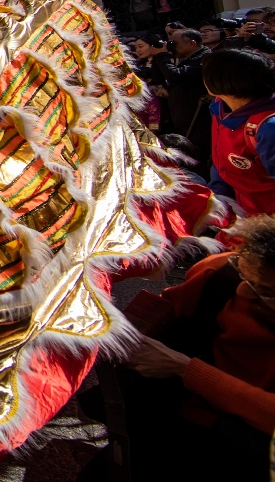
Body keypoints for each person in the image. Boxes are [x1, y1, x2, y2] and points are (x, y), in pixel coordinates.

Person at [80, 215, 275, 480]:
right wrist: (115, 330)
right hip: (177, 414)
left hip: (254, 447)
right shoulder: (219, 274)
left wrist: (186, 369)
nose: (242, 292)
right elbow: (163, 316)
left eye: (265, 291)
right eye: (243, 272)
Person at [204, 49, 275, 217]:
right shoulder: (220, 106)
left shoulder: (267, 127)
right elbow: (221, 167)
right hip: (238, 218)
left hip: (265, 226)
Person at [153, 29, 212, 175]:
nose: (171, 46)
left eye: (174, 43)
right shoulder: (184, 60)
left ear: (192, 43)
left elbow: (176, 77)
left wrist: (162, 56)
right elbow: (159, 78)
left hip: (199, 119)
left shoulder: (205, 58)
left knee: (199, 159)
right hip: (183, 118)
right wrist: (160, 57)